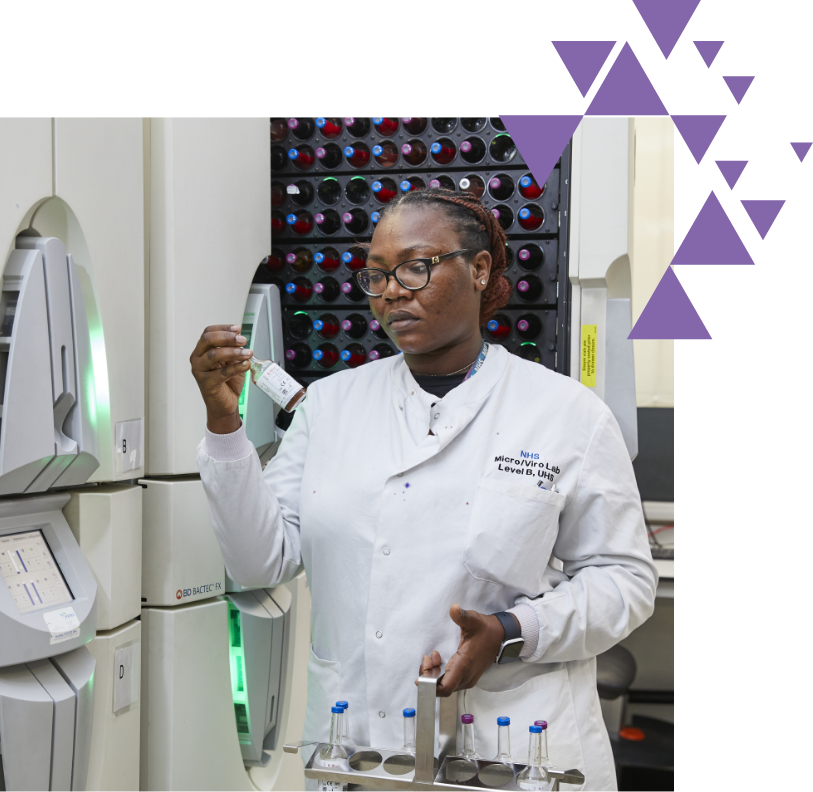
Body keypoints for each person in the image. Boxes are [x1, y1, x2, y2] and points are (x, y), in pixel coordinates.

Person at [191, 188, 657, 791]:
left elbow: (624, 579)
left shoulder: (566, 414)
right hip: (358, 747)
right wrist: (224, 425)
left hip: (507, 747)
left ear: (479, 268)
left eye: (416, 267)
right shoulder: (330, 406)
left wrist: (513, 631)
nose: (391, 291)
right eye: (377, 274)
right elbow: (260, 563)